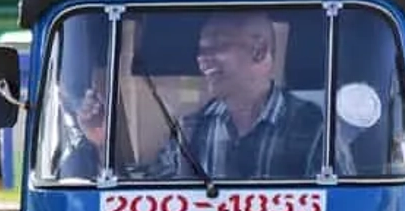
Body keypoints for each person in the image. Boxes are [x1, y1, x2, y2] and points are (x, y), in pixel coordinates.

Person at [142, 12, 353, 180]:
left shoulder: (314, 129)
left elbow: (342, 205)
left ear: (258, 50)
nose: (202, 59)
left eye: (218, 46)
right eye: (201, 50)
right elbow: (156, 200)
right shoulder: (189, 129)